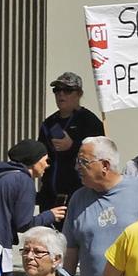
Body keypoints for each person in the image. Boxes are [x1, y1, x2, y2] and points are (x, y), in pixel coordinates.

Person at [65, 138, 138, 276]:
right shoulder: (78, 199)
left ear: (105, 165)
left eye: (84, 161)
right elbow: (71, 250)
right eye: (77, 161)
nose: (77, 167)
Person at [0, 139, 59, 252]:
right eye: (46, 160)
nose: (47, 165)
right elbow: (24, 224)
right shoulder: (24, 180)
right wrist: (50, 215)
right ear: (34, 160)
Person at [38, 71, 104, 208]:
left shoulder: (89, 121)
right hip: (51, 196)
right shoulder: (49, 123)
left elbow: (100, 156)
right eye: (57, 90)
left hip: (79, 195)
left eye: (67, 90)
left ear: (79, 94)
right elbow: (42, 155)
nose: (61, 94)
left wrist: (73, 146)